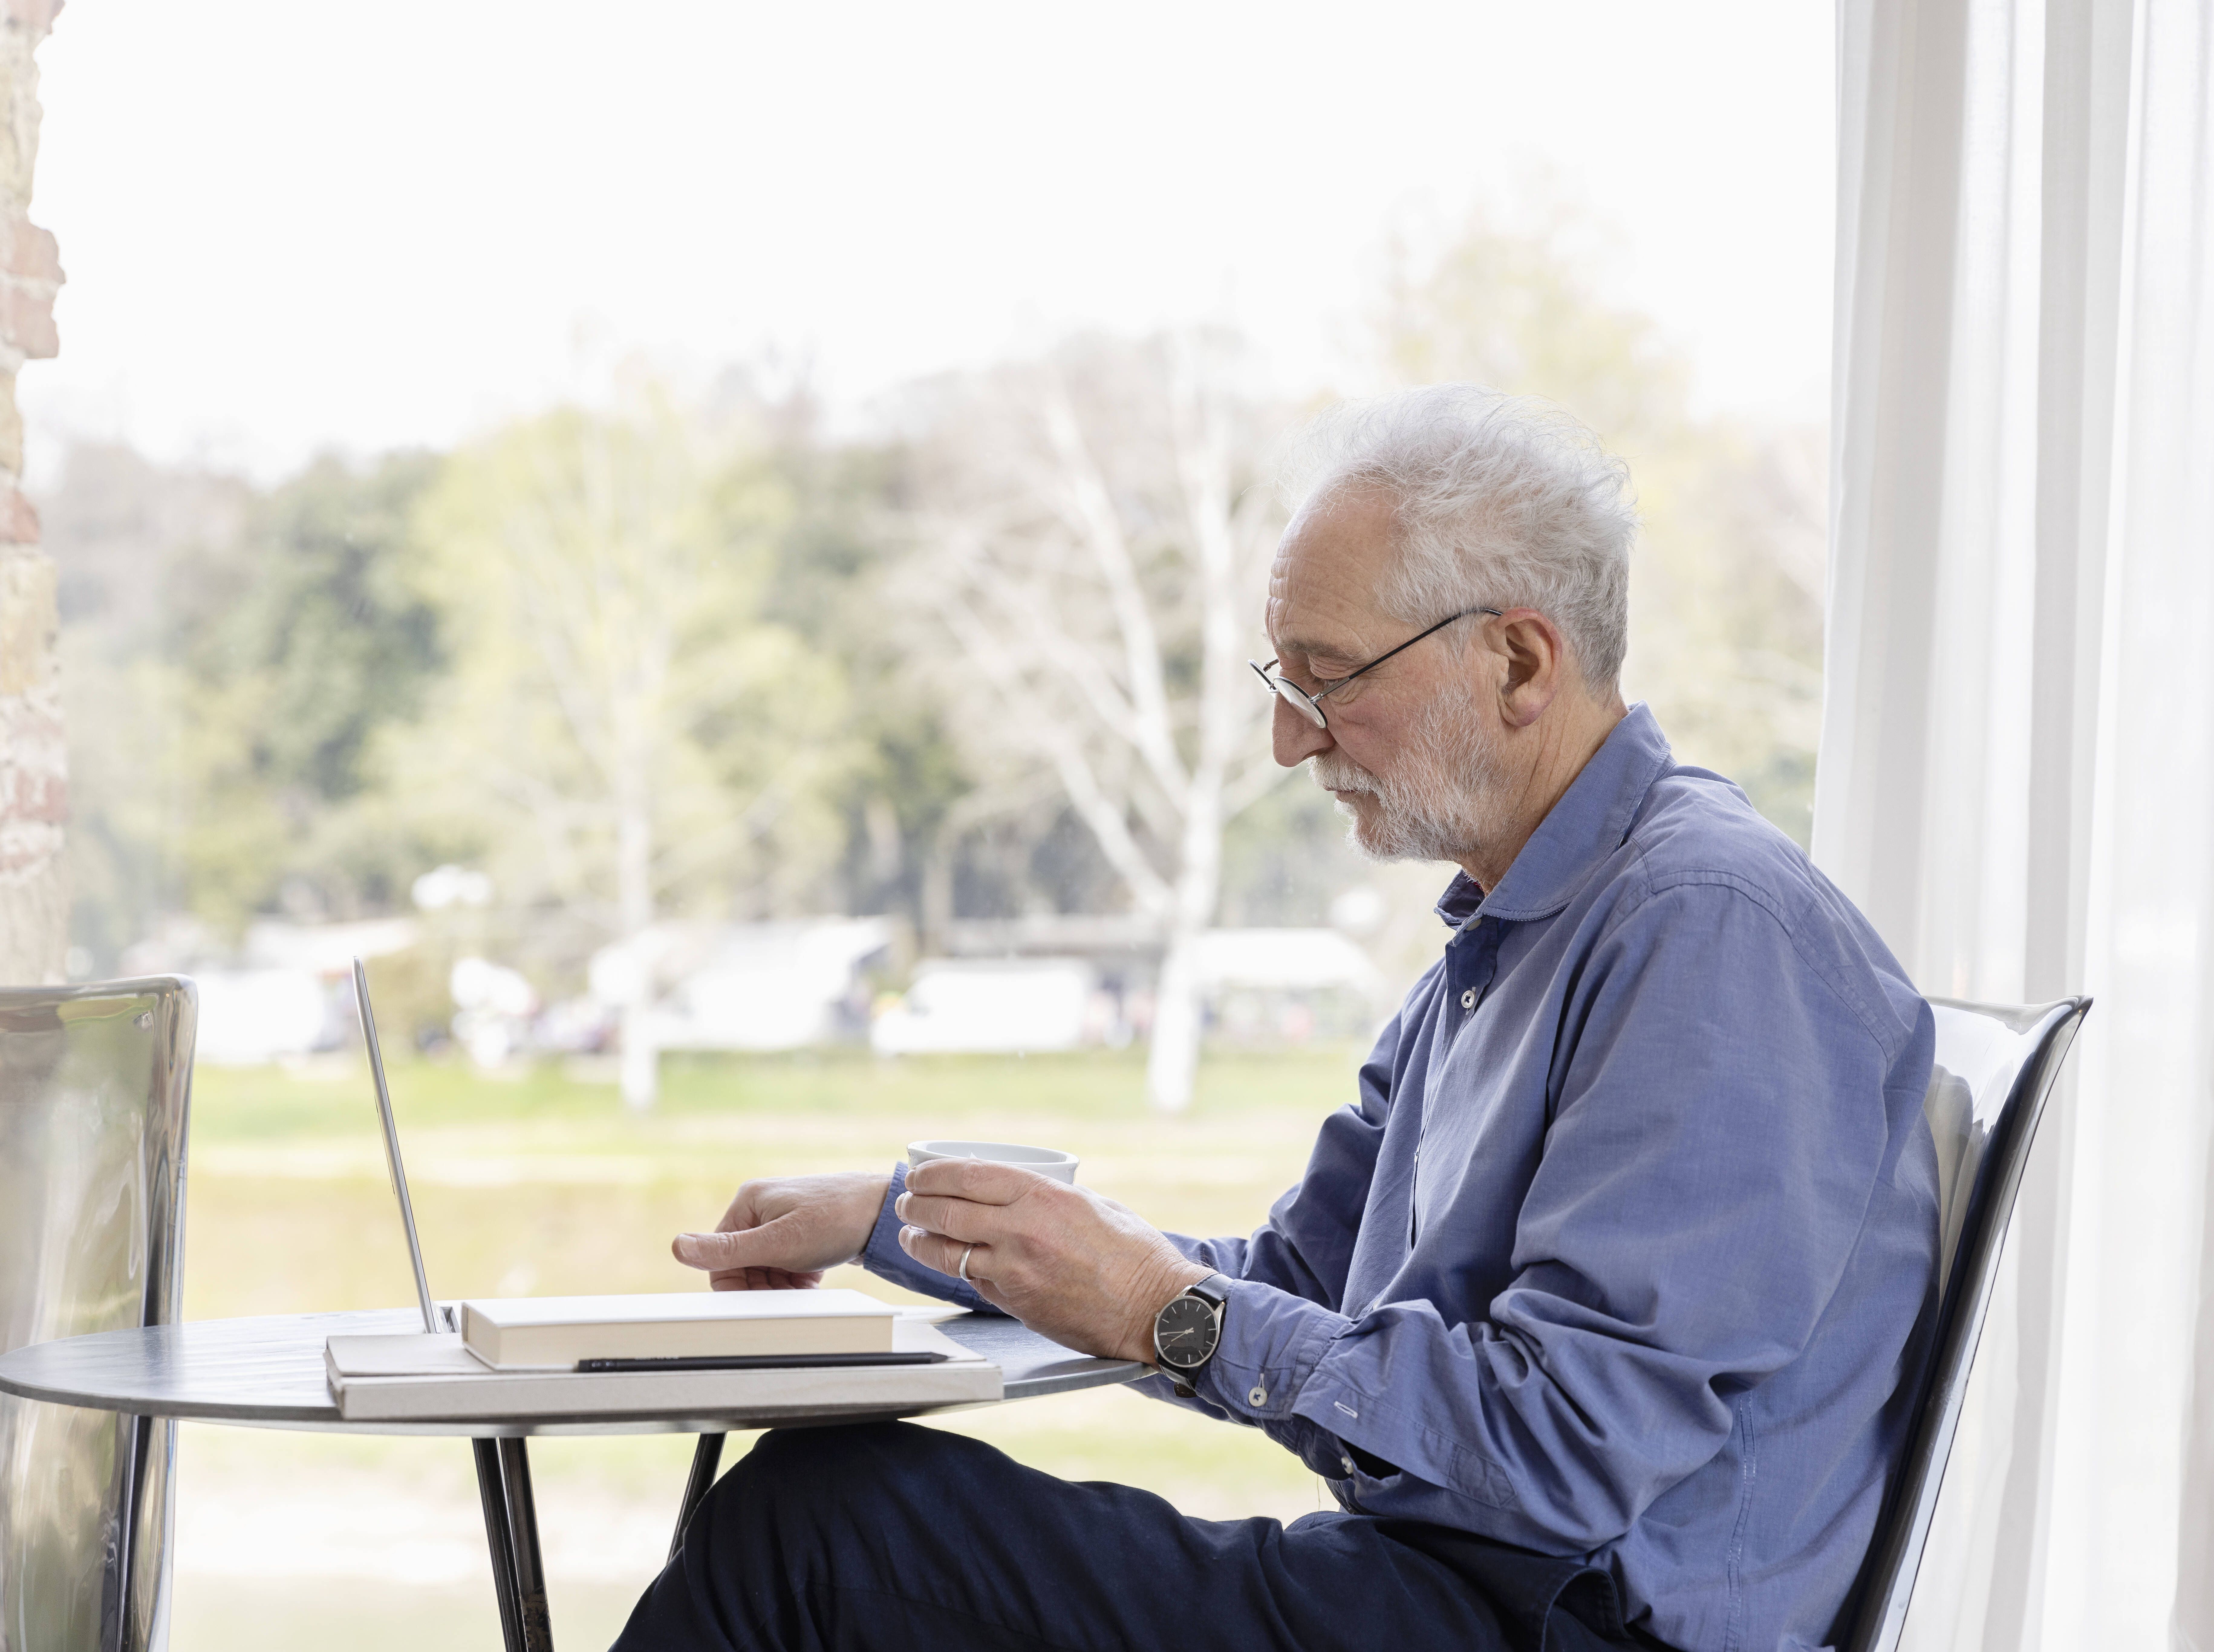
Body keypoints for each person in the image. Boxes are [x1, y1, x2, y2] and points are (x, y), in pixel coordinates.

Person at [620, 385, 1939, 1652]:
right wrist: (912, 1224)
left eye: (1327, 676)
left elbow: (1564, 1454)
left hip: (1554, 1623)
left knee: (816, 1534)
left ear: (1519, 661)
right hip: (1445, 1594)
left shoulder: (1705, 927)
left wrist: (1158, 1306)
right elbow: (1301, 1284)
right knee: (819, 1510)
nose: (1288, 741)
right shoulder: (1520, 934)